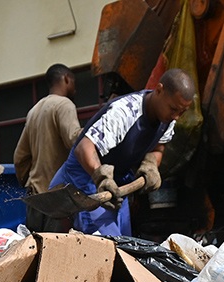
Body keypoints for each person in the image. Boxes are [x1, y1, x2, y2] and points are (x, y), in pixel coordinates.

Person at [48, 68, 195, 237]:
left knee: (125, 242)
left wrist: (151, 164)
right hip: (84, 179)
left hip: (118, 182)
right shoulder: (124, 112)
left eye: (182, 112)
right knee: (106, 245)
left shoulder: (168, 118)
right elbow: (84, 148)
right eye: (173, 109)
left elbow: (158, 147)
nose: (177, 116)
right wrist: (101, 178)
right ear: (159, 90)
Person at [14, 64, 83, 232]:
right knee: (58, 252)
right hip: (58, 198)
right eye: (73, 82)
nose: (75, 88)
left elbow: (19, 156)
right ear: (66, 79)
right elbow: (73, 140)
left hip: (36, 198)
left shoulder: (34, 110)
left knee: (37, 251)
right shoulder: (64, 105)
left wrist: (28, 182)